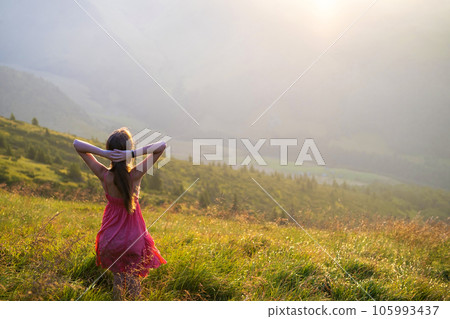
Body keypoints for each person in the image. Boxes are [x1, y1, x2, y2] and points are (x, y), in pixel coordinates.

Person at [73, 127, 167, 300]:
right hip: (133, 239)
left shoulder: (103, 175)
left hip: (110, 240)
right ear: (128, 149)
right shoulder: (136, 175)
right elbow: (161, 146)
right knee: (133, 286)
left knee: (118, 282)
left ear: (110, 150)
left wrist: (103, 153)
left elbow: (77, 144)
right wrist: (132, 154)